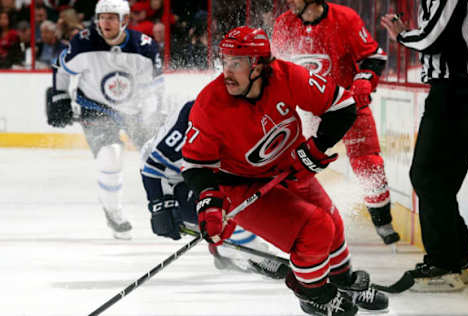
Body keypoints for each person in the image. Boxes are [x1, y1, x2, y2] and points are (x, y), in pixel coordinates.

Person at [181, 26, 388, 316]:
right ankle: (313, 292)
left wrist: (316, 148)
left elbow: (343, 105)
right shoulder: (210, 103)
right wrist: (210, 200)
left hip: (291, 168)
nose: (227, 71)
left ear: (259, 66)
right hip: (242, 186)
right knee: (315, 228)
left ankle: (342, 282)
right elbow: (194, 163)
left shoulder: (288, 76)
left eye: (236, 63)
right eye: (224, 61)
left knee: (333, 224)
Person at [271, 0, 400, 245]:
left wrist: (364, 81)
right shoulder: (284, 23)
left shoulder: (344, 18)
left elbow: (373, 57)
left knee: (368, 164)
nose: (289, 1)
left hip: (347, 104)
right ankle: (292, 225)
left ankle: (382, 221)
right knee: (289, 167)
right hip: (305, 110)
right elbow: (275, 68)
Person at [381, 1, 468, 292]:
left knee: (426, 176)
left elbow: (431, 37)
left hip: (457, 91)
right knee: (438, 182)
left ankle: (446, 262)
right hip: (455, 91)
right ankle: (454, 260)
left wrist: (401, 34)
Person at [47, 0, 163, 240]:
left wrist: (150, 115)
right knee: (111, 156)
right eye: (102, 17)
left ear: (124, 21)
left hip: (134, 111)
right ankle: (113, 212)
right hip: (95, 106)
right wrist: (59, 95)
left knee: (157, 158)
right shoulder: (83, 42)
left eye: (112, 17)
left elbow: (154, 87)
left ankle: (176, 208)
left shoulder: (145, 47)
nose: (105, 22)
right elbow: (62, 69)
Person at [140, 100, 290, 276]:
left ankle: (225, 246)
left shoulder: (257, 113)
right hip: (171, 184)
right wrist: (160, 207)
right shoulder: (192, 118)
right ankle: (251, 255)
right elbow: (154, 169)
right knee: (228, 200)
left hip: (205, 174)